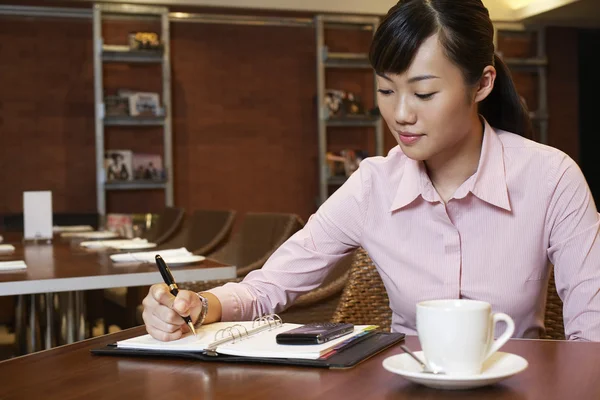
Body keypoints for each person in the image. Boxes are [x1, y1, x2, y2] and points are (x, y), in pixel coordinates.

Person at [142, 0, 600, 342]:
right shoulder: (373, 185)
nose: (400, 114)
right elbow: (269, 287)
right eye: (385, 90)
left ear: (481, 83)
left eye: (423, 94)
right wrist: (200, 306)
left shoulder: (550, 179)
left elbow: (593, 336)